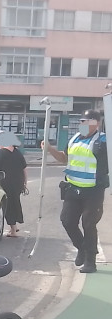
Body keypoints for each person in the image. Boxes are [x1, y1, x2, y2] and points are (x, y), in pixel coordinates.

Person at [42, 109, 108, 274]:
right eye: (81, 121)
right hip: (73, 188)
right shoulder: (74, 139)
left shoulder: (104, 141)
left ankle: (90, 262)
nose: (83, 124)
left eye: (87, 121)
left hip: (93, 191)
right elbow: (64, 158)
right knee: (67, 221)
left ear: (97, 123)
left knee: (89, 224)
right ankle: (82, 248)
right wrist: (49, 149)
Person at [0, 132, 28, 237]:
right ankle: (14, 227)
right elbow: (24, 170)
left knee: (7, 206)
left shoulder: (0, 153)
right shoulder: (18, 153)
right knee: (14, 204)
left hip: (5, 184)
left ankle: (13, 229)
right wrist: (24, 183)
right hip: (17, 183)